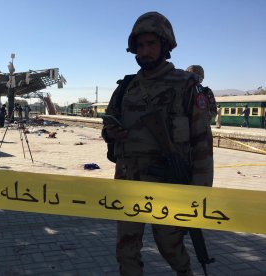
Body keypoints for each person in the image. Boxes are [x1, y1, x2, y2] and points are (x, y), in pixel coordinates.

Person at [101, 12, 213, 276]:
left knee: (170, 246)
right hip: (129, 181)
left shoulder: (186, 85)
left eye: (151, 44)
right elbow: (108, 125)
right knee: (126, 249)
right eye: (140, 46)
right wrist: (111, 133)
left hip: (170, 183)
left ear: (164, 46)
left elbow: (202, 143)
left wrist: (199, 195)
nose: (145, 51)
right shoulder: (126, 86)